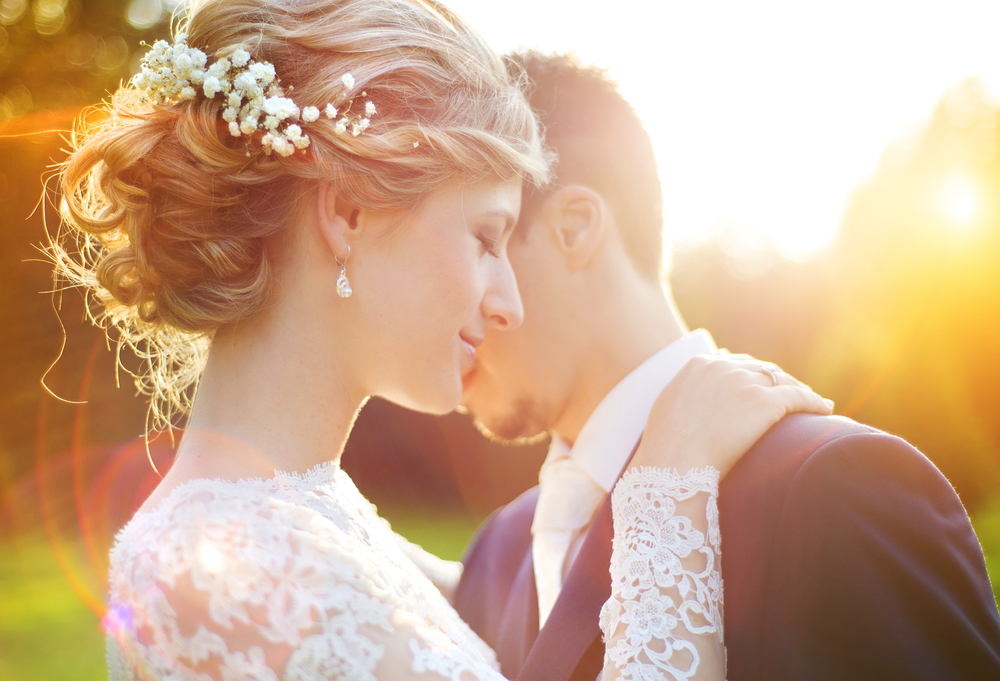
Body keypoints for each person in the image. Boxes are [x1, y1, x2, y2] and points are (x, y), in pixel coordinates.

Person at [52, 1, 833, 679]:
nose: (510, 302)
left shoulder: (311, 517)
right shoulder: (222, 571)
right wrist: (669, 478)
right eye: (487, 237)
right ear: (349, 212)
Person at [455, 50, 1000, 681]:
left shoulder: (835, 486)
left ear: (574, 229)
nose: (448, 310)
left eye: (482, 243)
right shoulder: (496, 553)